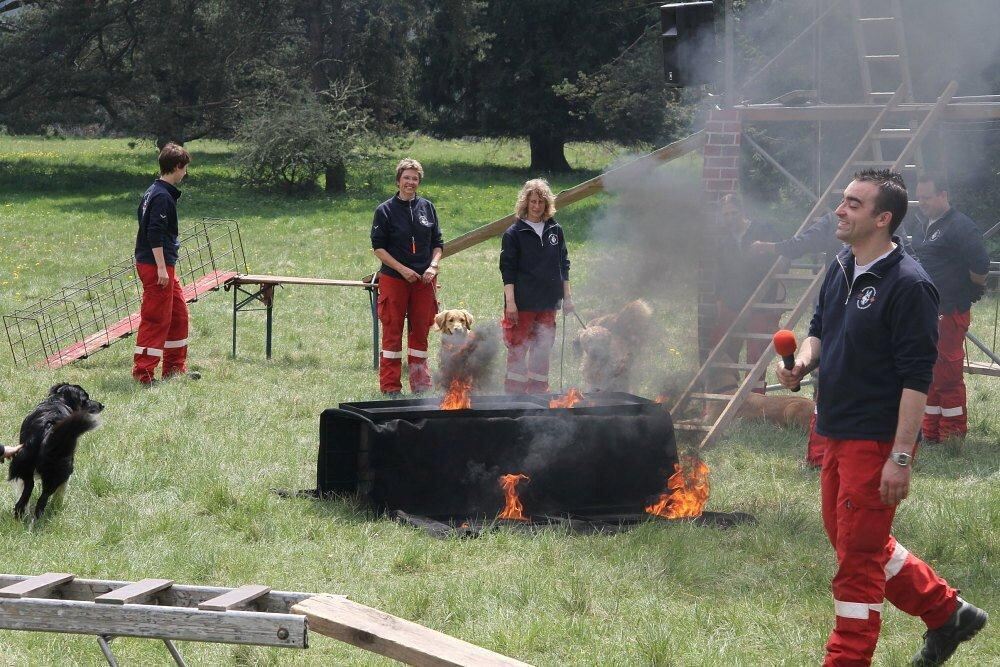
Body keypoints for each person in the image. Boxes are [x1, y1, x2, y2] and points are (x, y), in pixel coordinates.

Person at [776, 169, 987, 666]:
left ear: (882, 218)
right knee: (853, 540)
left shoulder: (910, 285)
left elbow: (919, 380)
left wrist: (900, 456)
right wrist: (804, 362)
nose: (840, 210)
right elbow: (818, 329)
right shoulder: (841, 266)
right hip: (834, 430)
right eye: (842, 201)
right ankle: (946, 611)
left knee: (857, 563)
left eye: (853, 203)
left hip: (876, 441)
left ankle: (846, 659)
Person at [910, 172, 990, 442]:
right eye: (919, 197)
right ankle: (930, 431)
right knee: (928, 370)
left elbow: (980, 264)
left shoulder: (960, 226)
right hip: (924, 310)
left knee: (947, 372)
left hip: (949, 309)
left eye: (927, 197)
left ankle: (953, 433)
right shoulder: (923, 225)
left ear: (944, 195)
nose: (921, 202)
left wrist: (974, 290)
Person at [371, 158, 443, 397]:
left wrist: (432, 267)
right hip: (394, 278)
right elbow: (378, 248)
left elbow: (438, 244)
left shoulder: (428, 208)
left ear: (418, 182)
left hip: (424, 280)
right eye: (406, 178)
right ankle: (391, 387)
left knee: (421, 330)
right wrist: (402, 270)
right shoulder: (385, 210)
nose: (410, 182)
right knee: (392, 331)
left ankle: (421, 384)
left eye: (415, 178)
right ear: (398, 181)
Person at [132, 143, 198, 385]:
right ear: (177, 167)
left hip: (163, 264)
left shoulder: (156, 190)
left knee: (178, 315)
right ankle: (144, 374)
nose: (185, 173)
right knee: (156, 318)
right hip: (155, 265)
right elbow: (154, 232)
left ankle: (174, 369)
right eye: (184, 168)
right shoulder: (160, 195)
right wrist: (161, 267)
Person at [499, 179, 572, 394]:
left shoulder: (555, 230)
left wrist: (567, 297)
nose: (536, 206)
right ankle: (514, 395)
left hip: (548, 302)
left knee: (542, 350)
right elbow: (507, 271)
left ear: (547, 204)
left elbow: (563, 265)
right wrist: (511, 303)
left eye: (541, 201)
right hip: (522, 303)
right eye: (532, 201)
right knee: (517, 349)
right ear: (525, 203)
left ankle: (539, 394)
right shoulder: (514, 233)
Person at [713, 193, 785, 393]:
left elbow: (783, 255)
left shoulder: (763, 230)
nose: (730, 218)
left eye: (733, 213)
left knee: (756, 351)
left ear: (742, 211)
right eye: (725, 215)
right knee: (723, 346)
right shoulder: (724, 242)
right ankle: (726, 391)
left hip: (763, 301)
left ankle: (754, 398)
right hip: (733, 301)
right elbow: (720, 275)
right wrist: (720, 302)